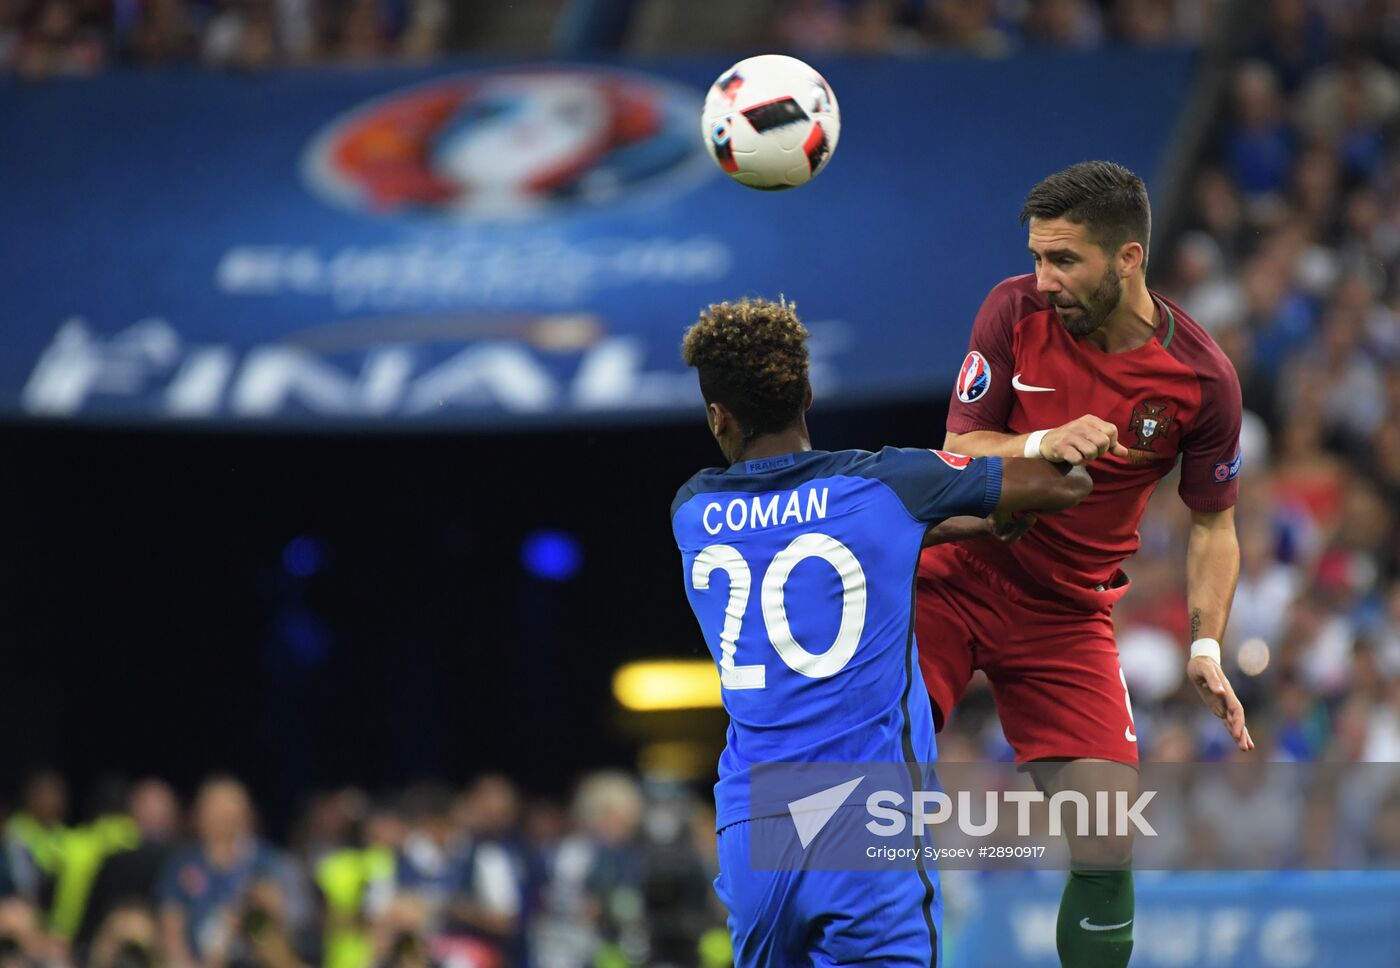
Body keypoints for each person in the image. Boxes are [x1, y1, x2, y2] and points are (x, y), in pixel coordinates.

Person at [671, 297, 1093, 966]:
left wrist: (944, 524)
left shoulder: (693, 509)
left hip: (754, 828)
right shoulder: (886, 486)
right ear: (807, 393)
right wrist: (1022, 468)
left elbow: (811, 533)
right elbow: (1062, 487)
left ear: (718, 417)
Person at [915, 160, 1255, 968]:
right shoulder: (1011, 310)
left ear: (1128, 259)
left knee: (1107, 831)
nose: (1044, 279)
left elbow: (1214, 524)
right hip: (956, 576)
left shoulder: (1202, 381)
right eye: (1037, 257)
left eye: (1064, 260)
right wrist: (1040, 442)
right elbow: (959, 446)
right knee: (862, 790)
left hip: (1066, 615)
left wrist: (1206, 645)